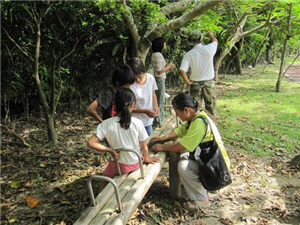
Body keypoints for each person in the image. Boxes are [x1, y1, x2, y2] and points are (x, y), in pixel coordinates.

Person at [151, 93, 215, 210]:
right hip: (206, 159)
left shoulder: (199, 123)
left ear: (186, 110)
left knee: (183, 165)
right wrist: (163, 138)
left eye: (177, 112)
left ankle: (202, 200)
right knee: (185, 158)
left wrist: (163, 147)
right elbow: (180, 131)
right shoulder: (195, 117)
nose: (177, 115)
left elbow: (182, 145)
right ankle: (195, 189)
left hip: (213, 166)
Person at [87, 87, 159, 192]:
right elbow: (144, 147)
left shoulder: (106, 124)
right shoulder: (138, 123)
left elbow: (91, 143)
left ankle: (98, 199)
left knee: (105, 178)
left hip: (118, 165)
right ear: (133, 105)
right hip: (136, 163)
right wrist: (146, 158)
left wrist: (110, 150)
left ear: (114, 106)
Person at [179, 30, 218, 116]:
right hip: (209, 83)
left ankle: (197, 125)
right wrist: (211, 35)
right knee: (211, 107)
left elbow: (182, 70)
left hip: (195, 84)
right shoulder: (209, 49)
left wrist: (188, 82)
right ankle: (211, 126)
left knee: (195, 108)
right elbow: (215, 41)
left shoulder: (189, 54)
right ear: (201, 39)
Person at [128, 57, 159, 136]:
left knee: (149, 141)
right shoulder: (129, 84)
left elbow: (153, 94)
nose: (138, 80)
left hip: (148, 121)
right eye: (135, 78)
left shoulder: (150, 78)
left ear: (144, 71)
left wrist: (156, 107)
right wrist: (145, 111)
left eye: (140, 77)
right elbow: (129, 108)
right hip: (134, 121)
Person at [151, 37, 176, 121]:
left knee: (159, 99)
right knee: (160, 100)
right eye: (164, 43)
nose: (165, 44)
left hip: (157, 79)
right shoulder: (158, 55)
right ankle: (159, 120)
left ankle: (158, 119)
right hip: (159, 80)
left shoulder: (155, 54)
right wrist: (169, 67)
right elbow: (159, 71)